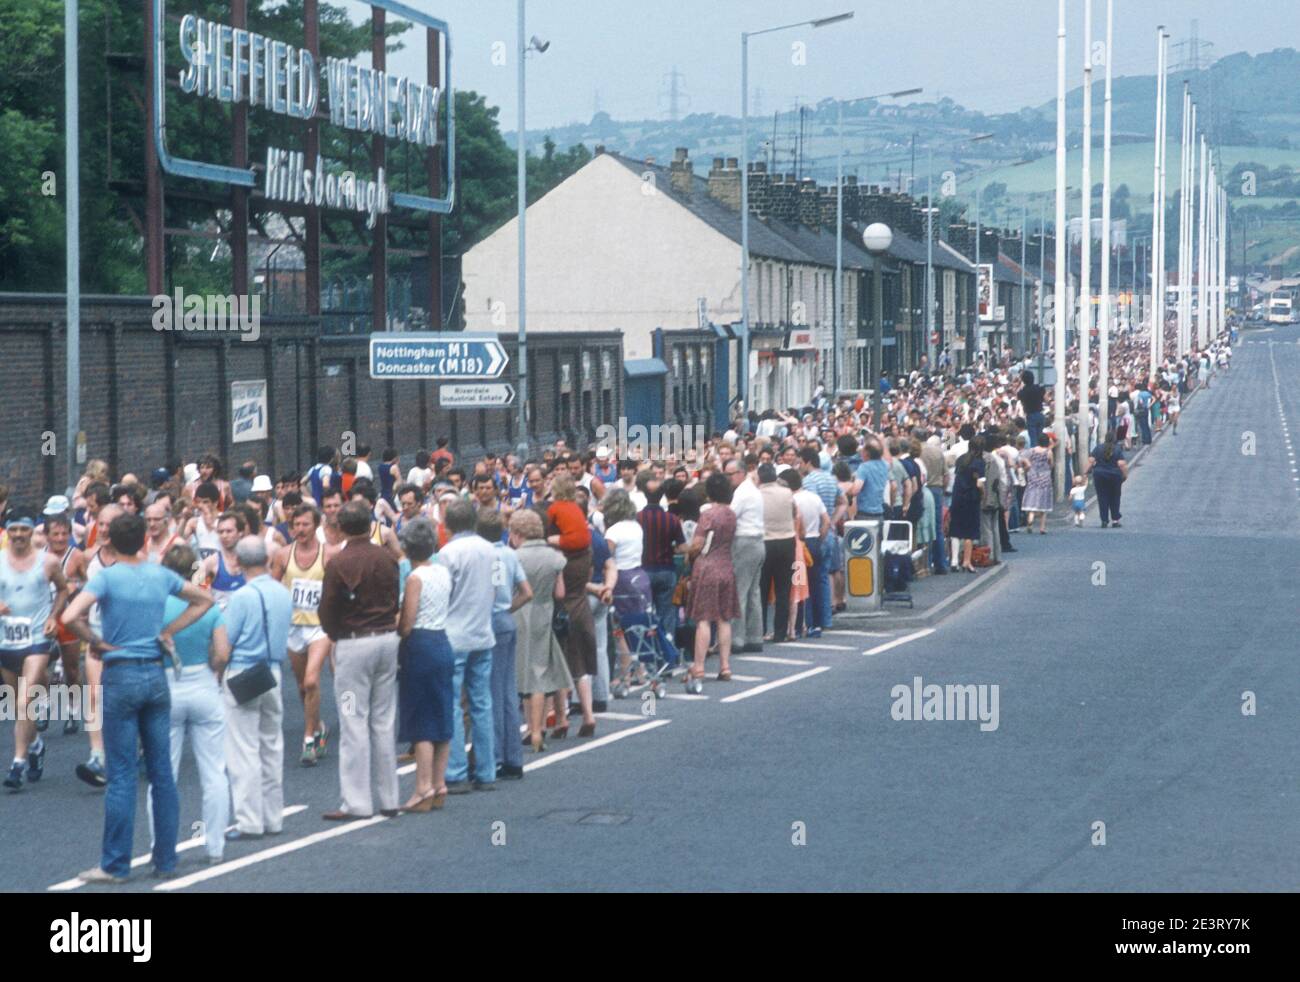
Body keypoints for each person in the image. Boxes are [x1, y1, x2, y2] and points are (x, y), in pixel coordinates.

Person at [61, 512, 214, 883]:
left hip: (122, 673)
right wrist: (167, 631)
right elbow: (203, 600)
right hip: (155, 674)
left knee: (123, 774)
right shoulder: (160, 574)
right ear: (145, 539)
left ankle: (114, 864)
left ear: (109, 541)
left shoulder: (107, 577)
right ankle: (165, 860)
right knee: (162, 773)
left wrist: (95, 641)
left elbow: (69, 615)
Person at [147, 544, 231, 864]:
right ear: (194, 569)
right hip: (203, 684)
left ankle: (161, 845)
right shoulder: (207, 604)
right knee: (214, 772)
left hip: (166, 686)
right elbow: (223, 653)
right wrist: (213, 669)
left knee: (163, 773)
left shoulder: (156, 605)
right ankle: (215, 846)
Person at [319, 500, 401, 820]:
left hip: (354, 644)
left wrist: (336, 634)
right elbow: (395, 595)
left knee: (354, 720)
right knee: (383, 720)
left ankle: (357, 801)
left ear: (340, 528)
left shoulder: (338, 564)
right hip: (386, 639)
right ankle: (390, 798)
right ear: (370, 525)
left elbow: (327, 610)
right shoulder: (386, 558)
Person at [221, 535, 292, 841]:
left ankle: (249, 820)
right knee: (271, 745)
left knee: (243, 749)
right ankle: (273, 816)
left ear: (237, 561)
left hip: (242, 671)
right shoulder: (282, 592)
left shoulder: (241, 597)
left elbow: (226, 642)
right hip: (271, 670)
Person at [0, 509, 70, 790]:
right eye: (13, 529)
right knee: (19, 706)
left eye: (23, 530)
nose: (18, 535)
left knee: (23, 703)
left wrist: (54, 616)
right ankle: (36, 746)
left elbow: (63, 590)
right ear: (7, 531)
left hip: (37, 638)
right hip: (6, 640)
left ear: (32, 532)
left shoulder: (48, 562)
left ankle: (17, 763)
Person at [437, 498, 499, 792]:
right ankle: (486, 771)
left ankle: (456, 771)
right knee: (482, 703)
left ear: (448, 525)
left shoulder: (447, 553)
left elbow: (441, 592)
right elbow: (498, 589)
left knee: (451, 704)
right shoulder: (492, 550)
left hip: (454, 634)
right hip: (483, 632)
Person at [271, 503, 338, 767]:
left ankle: (309, 739)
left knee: (312, 681)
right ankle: (319, 725)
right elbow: (272, 587)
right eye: (296, 524)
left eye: (305, 524)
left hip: (320, 627)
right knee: (301, 686)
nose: (300, 529)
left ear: (316, 526)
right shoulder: (283, 555)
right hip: (293, 627)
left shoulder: (329, 554)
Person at [395, 518, 455, 812]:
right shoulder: (443, 572)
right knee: (442, 714)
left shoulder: (414, 578)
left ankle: (422, 788)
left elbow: (407, 623)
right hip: (443, 641)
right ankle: (440, 783)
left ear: (407, 548)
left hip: (420, 645)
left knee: (421, 719)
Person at [510, 510, 571, 753]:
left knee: (525, 674)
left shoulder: (515, 557)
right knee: (539, 673)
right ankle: (538, 729)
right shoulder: (555, 557)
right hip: (544, 614)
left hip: (519, 613)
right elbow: (560, 594)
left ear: (517, 533)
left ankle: (531, 729)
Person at [544, 473, 597, 737]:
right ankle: (588, 714)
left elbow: (557, 590)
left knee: (558, 663)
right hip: (581, 604)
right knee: (581, 666)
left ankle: (562, 718)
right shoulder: (586, 550)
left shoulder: (557, 558)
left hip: (562, 609)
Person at [481, 510, 532, 780]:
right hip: (506, 620)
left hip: (489, 620)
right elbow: (528, 592)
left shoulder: (480, 555)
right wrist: (508, 608)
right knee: (508, 691)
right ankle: (513, 757)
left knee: (492, 692)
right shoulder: (510, 554)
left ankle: (497, 756)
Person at [684, 473, 738, 683]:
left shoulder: (707, 514)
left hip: (707, 567)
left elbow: (697, 544)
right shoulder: (731, 514)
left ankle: (699, 667)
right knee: (724, 618)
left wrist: (690, 556)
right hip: (726, 565)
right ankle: (725, 666)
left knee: (703, 619)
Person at [725, 456, 765, 653]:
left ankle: (736, 639)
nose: (728, 478)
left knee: (739, 592)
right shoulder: (753, 490)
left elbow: (731, 517)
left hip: (744, 542)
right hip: (758, 542)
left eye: (730, 474)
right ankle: (754, 636)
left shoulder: (742, 492)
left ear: (740, 473)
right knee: (753, 592)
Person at [757, 463, 797, 644]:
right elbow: (794, 512)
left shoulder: (757, 495)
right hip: (787, 541)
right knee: (783, 589)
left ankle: (761, 629)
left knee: (762, 589)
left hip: (765, 541)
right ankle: (780, 632)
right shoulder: (787, 492)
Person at [949, 436, 985, 573]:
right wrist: (983, 493)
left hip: (957, 496)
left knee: (956, 529)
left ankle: (953, 561)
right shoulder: (979, 463)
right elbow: (979, 483)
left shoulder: (961, 459)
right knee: (969, 532)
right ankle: (966, 561)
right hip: (971, 498)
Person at [1086, 429, 1129, 528]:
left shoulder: (1098, 448)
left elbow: (1091, 460)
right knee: (1115, 497)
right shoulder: (1117, 449)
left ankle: (1104, 520)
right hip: (1114, 476)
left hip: (1100, 475)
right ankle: (1115, 520)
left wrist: (1085, 472)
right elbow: (1121, 464)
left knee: (1102, 497)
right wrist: (1125, 475)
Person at [1021, 433, 1055, 535]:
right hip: (1044, 476)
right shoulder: (1048, 452)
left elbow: (1023, 458)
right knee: (1043, 500)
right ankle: (1042, 527)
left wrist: (1028, 465)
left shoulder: (1032, 450)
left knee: (1032, 496)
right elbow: (1051, 464)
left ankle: (1030, 518)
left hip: (1033, 475)